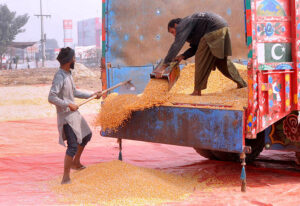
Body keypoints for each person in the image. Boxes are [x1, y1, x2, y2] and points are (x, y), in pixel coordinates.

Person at [48, 47, 101, 184]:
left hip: (73, 114)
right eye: (73, 58)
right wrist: (68, 104)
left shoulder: (68, 74)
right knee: (72, 146)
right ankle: (65, 177)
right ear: (68, 60)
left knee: (87, 135)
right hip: (66, 117)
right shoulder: (59, 76)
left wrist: (92, 95)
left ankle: (75, 162)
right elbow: (51, 97)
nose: (75, 60)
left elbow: (75, 92)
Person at [162, 12, 247, 96]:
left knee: (200, 59)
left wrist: (165, 64)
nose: (174, 35)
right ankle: (242, 83)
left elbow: (177, 44)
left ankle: (197, 91)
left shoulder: (183, 24)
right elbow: (197, 47)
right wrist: (183, 56)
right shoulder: (191, 28)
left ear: (176, 25)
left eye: (173, 32)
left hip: (213, 29)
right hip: (222, 27)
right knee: (221, 62)